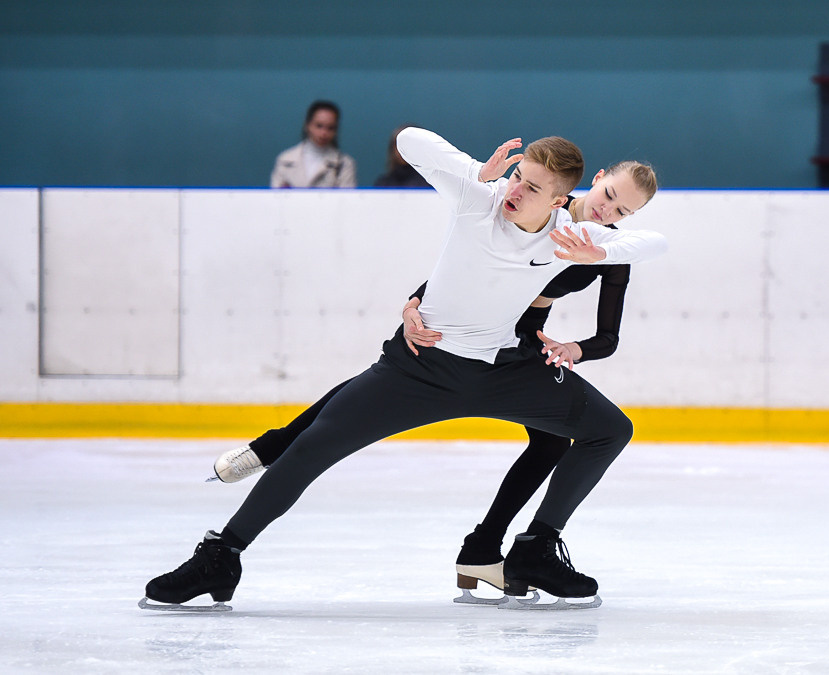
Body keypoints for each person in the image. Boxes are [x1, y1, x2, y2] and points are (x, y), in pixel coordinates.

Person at [143, 128, 667, 610]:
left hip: (503, 370)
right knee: (314, 446)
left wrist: (594, 256)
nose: (516, 190)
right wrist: (477, 171)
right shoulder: (479, 198)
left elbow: (655, 244)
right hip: (421, 368)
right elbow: (410, 139)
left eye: (532, 188)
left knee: (610, 430)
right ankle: (222, 556)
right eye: (517, 177)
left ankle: (536, 549)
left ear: (557, 202)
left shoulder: (571, 238)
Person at [270, 100, 357, 188]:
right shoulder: (285, 160)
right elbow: (275, 194)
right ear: (307, 125)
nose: (324, 133)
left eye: (330, 128)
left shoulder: (344, 164)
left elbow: (347, 196)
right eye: (319, 126)